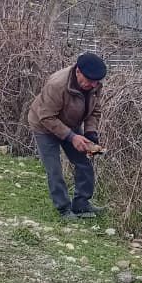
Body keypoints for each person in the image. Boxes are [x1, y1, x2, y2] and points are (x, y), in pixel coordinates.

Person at [27, 52, 107, 220]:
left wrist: (90, 133)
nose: (93, 85)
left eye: (96, 81)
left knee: (84, 162)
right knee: (54, 169)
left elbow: (95, 111)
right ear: (78, 71)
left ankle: (81, 204)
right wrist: (72, 137)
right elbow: (46, 116)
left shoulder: (94, 84)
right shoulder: (57, 84)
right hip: (44, 126)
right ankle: (63, 208)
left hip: (70, 123)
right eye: (89, 80)